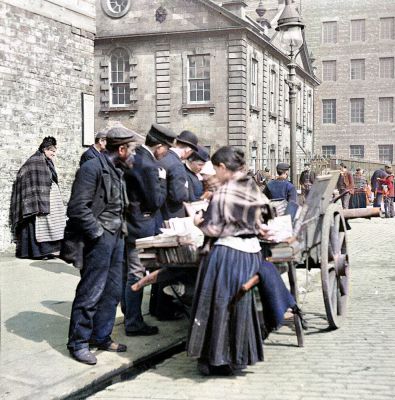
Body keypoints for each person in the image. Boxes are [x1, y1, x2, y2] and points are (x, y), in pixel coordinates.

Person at [187, 146, 296, 376]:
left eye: (216, 169)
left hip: (228, 254)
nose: (215, 174)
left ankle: (216, 359)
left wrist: (198, 221)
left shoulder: (225, 192)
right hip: (251, 254)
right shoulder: (253, 188)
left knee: (217, 304)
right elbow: (266, 219)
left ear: (224, 168)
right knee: (240, 307)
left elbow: (214, 228)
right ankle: (237, 357)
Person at [66, 126, 137, 365]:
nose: (134, 154)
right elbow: (77, 208)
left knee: (113, 290)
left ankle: (101, 336)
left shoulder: (117, 170)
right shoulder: (91, 168)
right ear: (122, 148)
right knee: (92, 290)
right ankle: (78, 342)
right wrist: (97, 233)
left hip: (116, 237)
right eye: (132, 149)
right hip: (99, 238)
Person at [123, 123, 177, 337]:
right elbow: (155, 200)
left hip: (132, 223)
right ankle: (134, 322)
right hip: (142, 225)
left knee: (129, 272)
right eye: (166, 149)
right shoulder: (149, 165)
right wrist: (162, 181)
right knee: (136, 274)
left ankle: (130, 313)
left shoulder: (135, 157)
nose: (165, 154)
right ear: (160, 146)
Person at [10, 136, 66, 259]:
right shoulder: (35, 161)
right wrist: (35, 194)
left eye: (54, 151)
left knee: (48, 226)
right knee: (35, 226)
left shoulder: (47, 161)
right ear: (45, 149)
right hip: (35, 200)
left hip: (45, 199)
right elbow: (24, 176)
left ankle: (47, 251)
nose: (53, 153)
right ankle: (35, 253)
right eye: (51, 150)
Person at [158, 130, 199, 220]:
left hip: (160, 211)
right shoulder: (177, 165)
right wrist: (186, 192)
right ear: (188, 150)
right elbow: (178, 196)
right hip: (172, 214)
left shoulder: (162, 157)